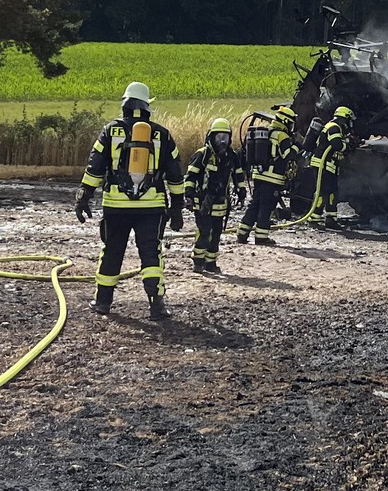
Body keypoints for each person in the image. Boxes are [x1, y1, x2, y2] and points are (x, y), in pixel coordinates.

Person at [77, 81, 184, 317]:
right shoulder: (162, 134)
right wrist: (177, 208)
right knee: (151, 253)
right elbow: (176, 175)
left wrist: (83, 198)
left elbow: (94, 168)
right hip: (151, 207)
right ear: (147, 106)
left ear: (125, 104)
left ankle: (103, 302)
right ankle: (157, 306)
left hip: (116, 206)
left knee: (112, 251)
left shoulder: (109, 131)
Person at [183, 117, 249, 274]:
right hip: (202, 202)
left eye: (225, 137)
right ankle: (198, 261)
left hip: (221, 204)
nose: (222, 142)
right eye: (218, 137)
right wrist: (189, 196)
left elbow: (238, 175)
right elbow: (190, 177)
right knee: (205, 231)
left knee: (217, 232)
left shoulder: (232, 156)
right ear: (211, 137)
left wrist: (241, 191)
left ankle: (211, 263)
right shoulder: (202, 155)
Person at [236, 104, 298, 247]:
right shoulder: (282, 135)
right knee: (267, 207)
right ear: (286, 122)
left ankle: (242, 234)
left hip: (259, 175)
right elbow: (288, 155)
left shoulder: (267, 131)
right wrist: (297, 146)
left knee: (255, 205)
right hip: (272, 178)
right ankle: (261, 237)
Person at [308, 104, 356, 229]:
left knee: (328, 192)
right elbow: (337, 145)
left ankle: (324, 218)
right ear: (344, 118)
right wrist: (348, 146)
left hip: (327, 165)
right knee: (326, 192)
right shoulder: (334, 128)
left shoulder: (333, 127)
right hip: (323, 165)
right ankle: (321, 219)